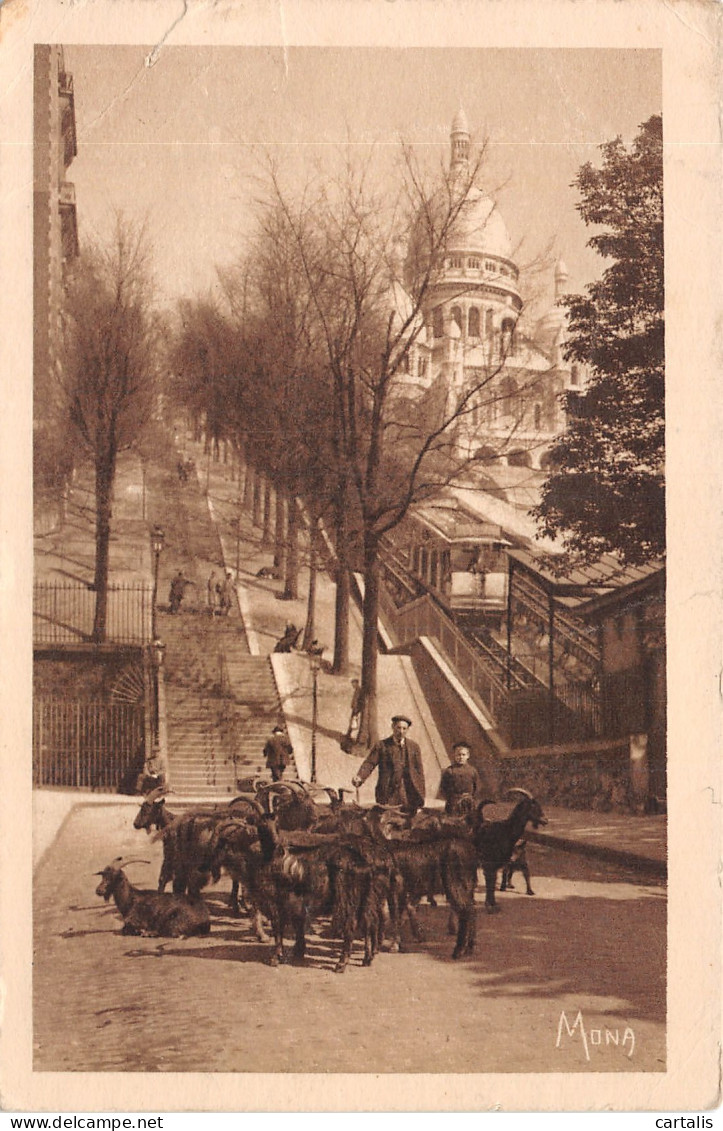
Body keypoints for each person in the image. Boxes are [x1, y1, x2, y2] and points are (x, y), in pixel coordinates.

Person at [352, 714, 425, 815]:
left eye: (404, 728)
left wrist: (420, 794)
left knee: (407, 823)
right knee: (386, 821)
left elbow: (419, 773)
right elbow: (369, 763)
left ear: (408, 730)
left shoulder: (414, 747)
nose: (401, 731)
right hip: (387, 792)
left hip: (408, 792)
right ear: (393, 727)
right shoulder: (382, 746)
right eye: (398, 728)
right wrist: (360, 776)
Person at [439, 740, 481, 816]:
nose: (461, 757)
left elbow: (477, 787)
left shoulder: (472, 771)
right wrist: (451, 799)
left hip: (469, 803)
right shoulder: (449, 771)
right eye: (458, 755)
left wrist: (471, 798)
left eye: (463, 755)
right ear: (454, 756)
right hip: (453, 804)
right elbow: (443, 788)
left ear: (468, 756)